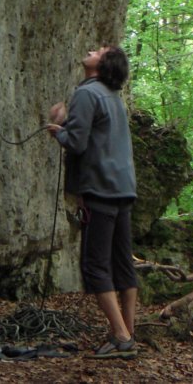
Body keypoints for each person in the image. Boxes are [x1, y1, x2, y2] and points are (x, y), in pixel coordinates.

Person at [46, 45, 139, 359]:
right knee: (122, 264)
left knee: (95, 265)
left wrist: (58, 132)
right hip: (123, 190)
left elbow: (77, 143)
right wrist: (67, 123)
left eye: (100, 50)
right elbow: (96, 135)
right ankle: (127, 332)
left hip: (99, 191)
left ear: (102, 64)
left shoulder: (87, 93)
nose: (93, 49)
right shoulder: (112, 97)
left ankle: (120, 336)